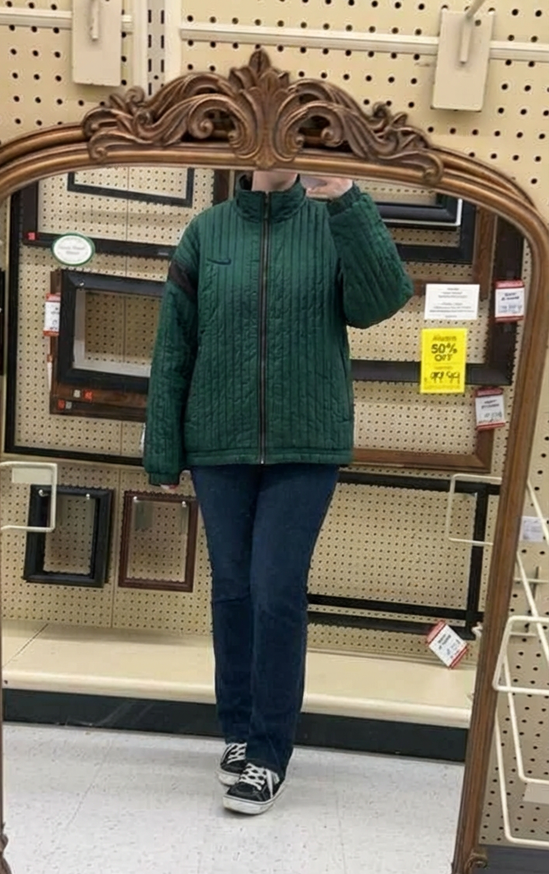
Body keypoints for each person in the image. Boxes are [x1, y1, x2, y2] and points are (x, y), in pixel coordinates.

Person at [143, 169, 413, 816]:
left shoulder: (331, 223)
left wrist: (347, 197)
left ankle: (269, 751)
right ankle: (237, 729)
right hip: (219, 443)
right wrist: (163, 449)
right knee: (233, 590)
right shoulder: (207, 232)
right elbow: (174, 344)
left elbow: (381, 300)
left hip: (306, 445)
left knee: (276, 590)